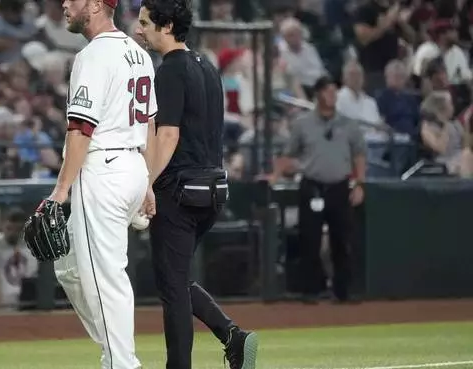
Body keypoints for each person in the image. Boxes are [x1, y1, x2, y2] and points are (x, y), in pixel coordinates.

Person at [135, 1, 258, 369]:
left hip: (180, 192)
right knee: (177, 279)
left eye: (145, 23)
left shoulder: (170, 70)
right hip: (213, 190)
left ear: (167, 25)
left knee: (172, 289)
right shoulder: (207, 66)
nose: (139, 30)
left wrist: (146, 183)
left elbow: (168, 135)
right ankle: (232, 336)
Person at [47, 0, 158, 367]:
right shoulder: (137, 52)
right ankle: (116, 349)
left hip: (104, 169)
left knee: (104, 279)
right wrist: (146, 180)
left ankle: (122, 363)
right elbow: (150, 124)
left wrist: (60, 191)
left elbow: (81, 129)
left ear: (95, 5)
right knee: (68, 265)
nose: (65, 3)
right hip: (130, 165)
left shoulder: (94, 55)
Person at [269, 76, 366, 304]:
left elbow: (359, 154)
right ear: (318, 94)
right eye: (328, 91)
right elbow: (288, 154)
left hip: (339, 186)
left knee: (341, 239)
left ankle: (343, 291)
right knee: (309, 239)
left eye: (334, 91)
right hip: (312, 185)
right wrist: (274, 176)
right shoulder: (303, 124)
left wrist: (360, 183)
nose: (332, 95)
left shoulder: (348, 124)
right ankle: (311, 291)